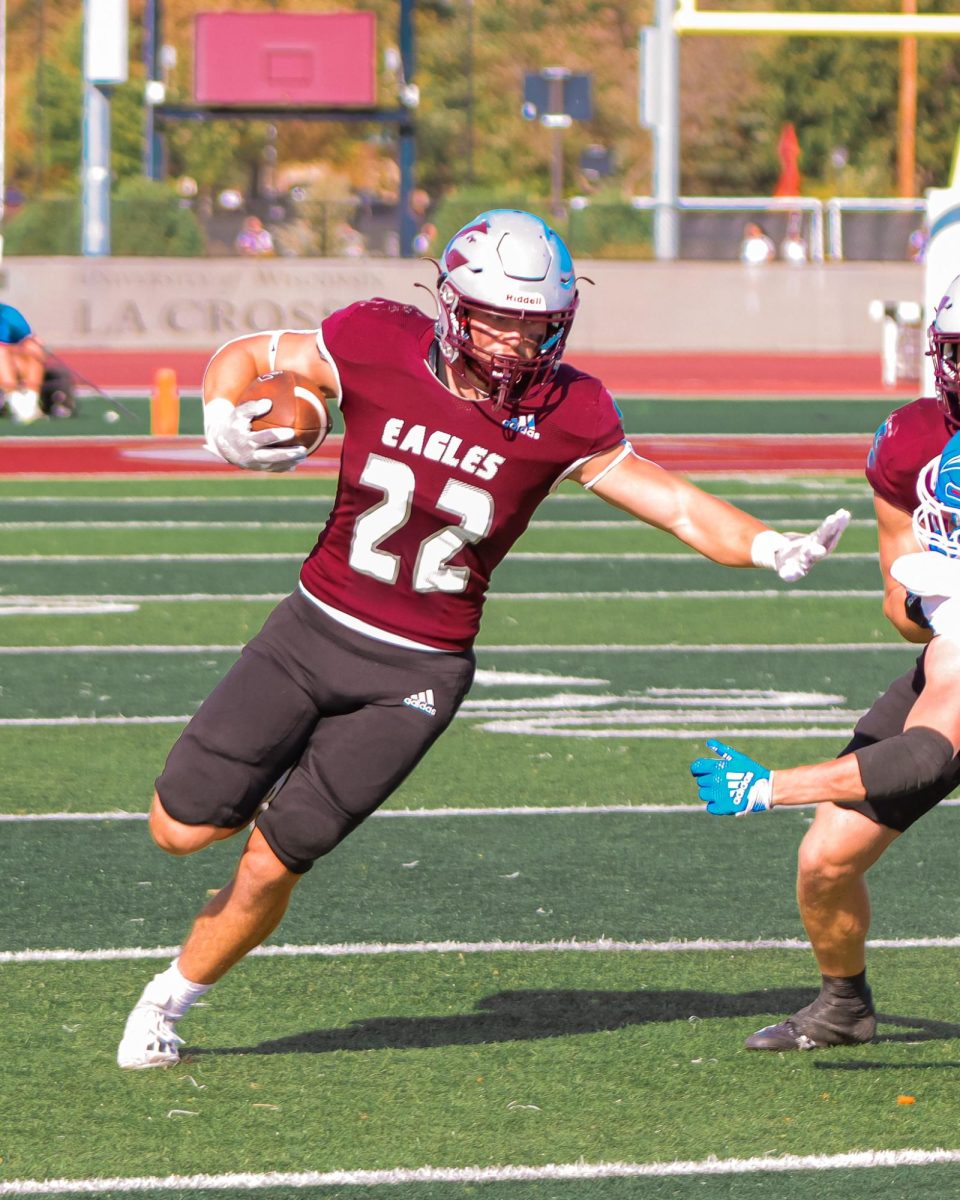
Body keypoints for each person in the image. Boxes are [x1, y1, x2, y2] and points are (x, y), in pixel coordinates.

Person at [116, 208, 850, 1069]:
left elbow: (675, 502)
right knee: (180, 830)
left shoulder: (570, 408)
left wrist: (767, 545)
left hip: (416, 674)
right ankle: (224, 827)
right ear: (453, 303)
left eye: (534, 325)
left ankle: (165, 1004)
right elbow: (243, 357)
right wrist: (220, 419)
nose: (511, 342)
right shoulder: (375, 340)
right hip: (310, 629)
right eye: (497, 318)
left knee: (277, 862)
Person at [688, 278, 960, 1052]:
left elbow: (925, 755)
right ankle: (845, 1006)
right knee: (827, 859)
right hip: (950, 653)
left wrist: (768, 787)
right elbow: (897, 604)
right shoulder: (913, 441)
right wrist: (929, 601)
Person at [0, 302, 46, 423]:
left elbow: (32, 344)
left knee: (32, 347)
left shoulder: (8, 314)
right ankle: (17, 403)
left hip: (11, 373)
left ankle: (30, 401)